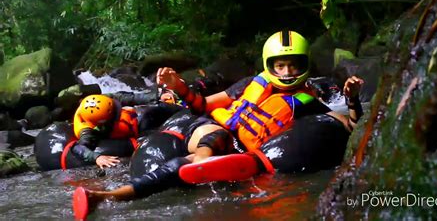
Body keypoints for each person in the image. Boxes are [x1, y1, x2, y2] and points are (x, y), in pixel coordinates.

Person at [72, 30, 364, 219]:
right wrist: (179, 86)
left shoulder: (308, 100)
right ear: (269, 64)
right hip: (216, 130)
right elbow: (202, 106)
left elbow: (347, 125)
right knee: (211, 139)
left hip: (250, 150)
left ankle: (106, 197)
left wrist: (352, 100)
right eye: (280, 65)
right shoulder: (250, 83)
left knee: (178, 167)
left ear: (305, 65)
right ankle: (202, 164)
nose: (287, 72)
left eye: (294, 65)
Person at [70, 94, 183, 169]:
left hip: (130, 122)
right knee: (148, 133)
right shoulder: (87, 131)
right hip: (122, 135)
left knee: (152, 112)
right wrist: (97, 157)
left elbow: (128, 97)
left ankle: (181, 107)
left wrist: (156, 96)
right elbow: (77, 148)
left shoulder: (102, 101)